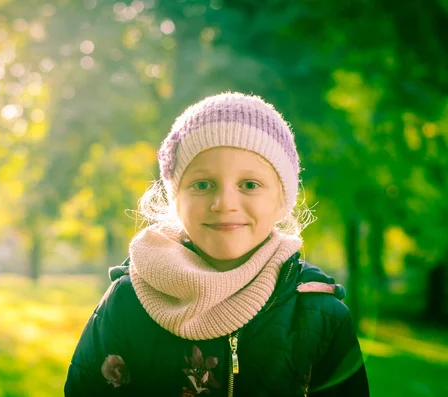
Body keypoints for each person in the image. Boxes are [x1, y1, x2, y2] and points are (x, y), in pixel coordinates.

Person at [64, 92, 370, 396]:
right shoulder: (126, 303)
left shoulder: (320, 314)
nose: (224, 203)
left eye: (249, 185)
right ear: (176, 200)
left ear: (282, 201)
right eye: (202, 185)